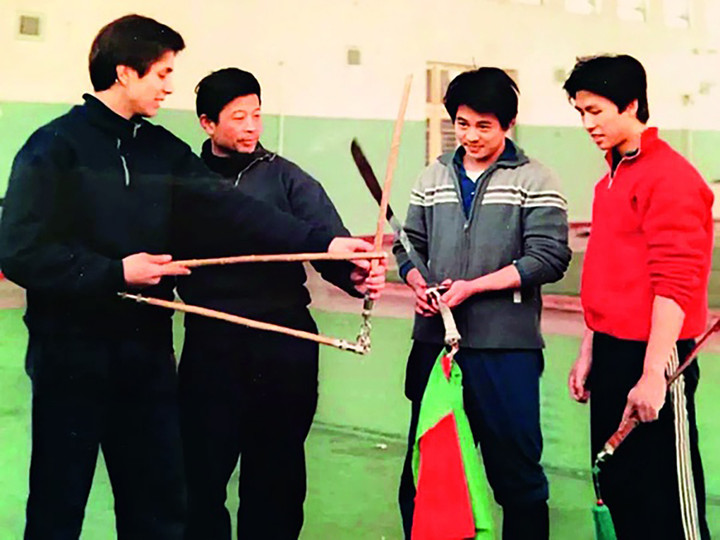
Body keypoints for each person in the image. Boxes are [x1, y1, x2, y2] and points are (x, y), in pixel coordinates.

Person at [0, 15, 376, 540]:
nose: (169, 86)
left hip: (146, 358)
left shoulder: (162, 151)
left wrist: (326, 244)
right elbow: (20, 251)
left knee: (157, 506)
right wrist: (116, 272)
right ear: (125, 72)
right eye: (162, 73)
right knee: (58, 503)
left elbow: (235, 211)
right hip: (71, 356)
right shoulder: (54, 147)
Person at [177, 67, 385, 540]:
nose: (251, 126)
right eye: (238, 117)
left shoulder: (288, 178)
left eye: (257, 115)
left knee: (276, 476)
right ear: (207, 123)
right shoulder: (186, 180)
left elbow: (329, 244)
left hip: (283, 342)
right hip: (212, 343)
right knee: (199, 475)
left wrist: (355, 277)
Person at [393, 67, 571, 540]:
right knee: (426, 478)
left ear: (508, 124)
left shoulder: (536, 179)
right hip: (436, 348)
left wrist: (473, 287)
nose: (470, 136)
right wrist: (417, 283)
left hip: (505, 351)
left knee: (517, 479)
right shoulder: (432, 176)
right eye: (462, 124)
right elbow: (407, 246)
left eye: (484, 126)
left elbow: (549, 257)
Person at [565, 54, 713, 540]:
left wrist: (653, 375)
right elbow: (609, 275)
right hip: (611, 351)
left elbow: (675, 282)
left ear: (631, 105)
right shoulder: (609, 181)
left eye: (596, 111)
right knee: (619, 491)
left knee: (668, 509)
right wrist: (589, 349)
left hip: (656, 355)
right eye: (580, 112)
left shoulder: (670, 177)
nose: (587, 124)